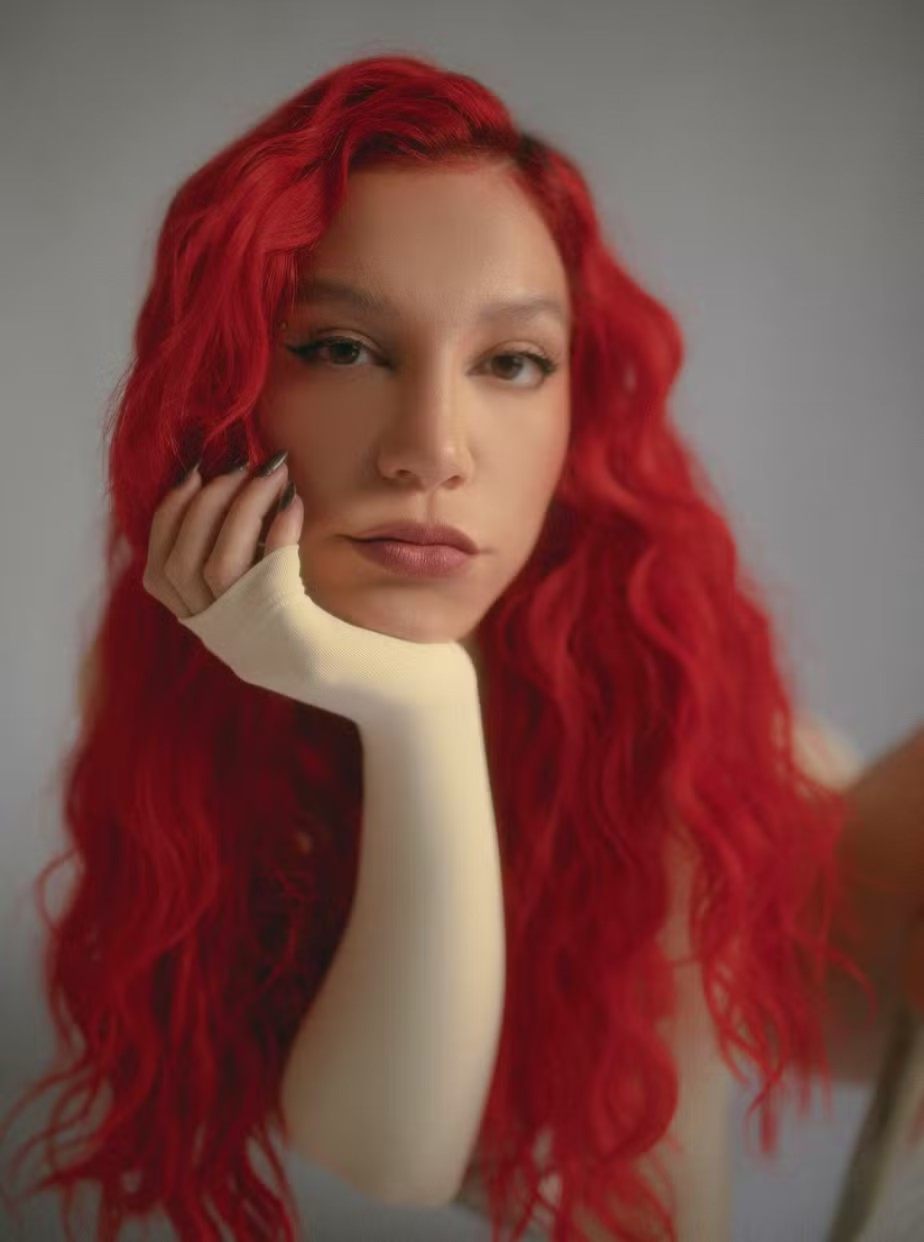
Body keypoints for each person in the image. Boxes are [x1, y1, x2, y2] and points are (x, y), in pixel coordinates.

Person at [1, 51, 919, 1242]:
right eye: (342, 348)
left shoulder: (662, 734)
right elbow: (382, 1147)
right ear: (227, 389)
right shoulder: (180, 693)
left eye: (512, 363)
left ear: (577, 412)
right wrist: (417, 706)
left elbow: (571, 1198)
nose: (432, 448)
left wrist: (416, 702)